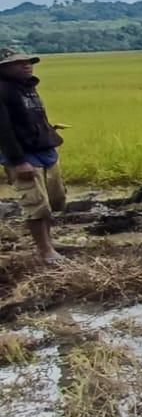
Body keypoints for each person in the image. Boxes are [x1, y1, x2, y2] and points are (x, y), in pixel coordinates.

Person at [0, 47, 68, 265]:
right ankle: (45, 250)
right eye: (18, 62)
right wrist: (18, 162)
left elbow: (32, 117)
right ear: (3, 67)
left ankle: (49, 243)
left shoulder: (28, 88)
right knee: (36, 204)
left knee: (54, 200)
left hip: (45, 150)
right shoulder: (2, 90)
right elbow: (3, 130)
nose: (26, 65)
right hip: (25, 156)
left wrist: (49, 129)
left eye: (28, 61)